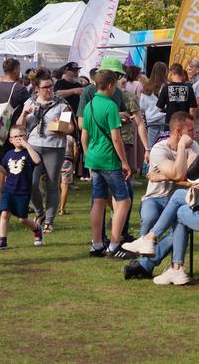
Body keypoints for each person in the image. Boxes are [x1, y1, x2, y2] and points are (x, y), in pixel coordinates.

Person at [122, 114, 199, 286]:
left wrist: (181, 147)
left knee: (179, 209)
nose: (195, 134)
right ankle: (164, 261)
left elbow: (188, 175)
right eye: (191, 130)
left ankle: (169, 261)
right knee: (178, 203)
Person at [123, 111, 199, 280]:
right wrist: (175, 172)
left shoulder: (193, 146)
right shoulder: (159, 149)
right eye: (191, 130)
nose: (195, 134)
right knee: (149, 218)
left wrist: (164, 175)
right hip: (155, 198)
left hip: (178, 200)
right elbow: (180, 173)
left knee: (181, 228)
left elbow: (184, 175)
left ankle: (145, 266)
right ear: (178, 132)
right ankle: (146, 263)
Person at [82, 69, 133, 259]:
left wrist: (88, 157)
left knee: (98, 201)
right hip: (109, 159)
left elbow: (83, 135)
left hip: (94, 159)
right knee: (124, 200)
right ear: (110, 85)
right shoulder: (111, 106)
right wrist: (125, 163)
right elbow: (117, 139)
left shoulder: (90, 105)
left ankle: (96, 244)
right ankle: (114, 245)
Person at [17, 72, 73, 233]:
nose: (49, 90)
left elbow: (70, 127)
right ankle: (39, 212)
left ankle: (49, 221)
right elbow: (19, 126)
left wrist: (61, 128)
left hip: (55, 147)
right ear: (37, 88)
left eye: (51, 86)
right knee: (32, 183)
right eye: (45, 87)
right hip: (33, 146)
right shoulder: (30, 102)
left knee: (52, 184)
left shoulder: (62, 104)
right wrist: (24, 114)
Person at [0, 58, 30, 216]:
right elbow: (28, 110)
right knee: (17, 166)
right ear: (16, 70)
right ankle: (17, 202)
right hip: (14, 134)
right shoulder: (19, 89)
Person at [0, 125, 44, 250]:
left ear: (27, 137)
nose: (18, 139)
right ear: (10, 140)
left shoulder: (29, 153)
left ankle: (37, 228)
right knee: (4, 214)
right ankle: (2, 241)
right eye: (15, 137)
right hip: (8, 190)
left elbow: (37, 161)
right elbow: (5, 171)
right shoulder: (8, 154)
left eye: (21, 136)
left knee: (22, 219)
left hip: (23, 191)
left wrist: (28, 146)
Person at [140, 62, 167, 147]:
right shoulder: (167, 86)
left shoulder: (146, 87)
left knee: (151, 146)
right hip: (164, 118)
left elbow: (142, 106)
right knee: (164, 145)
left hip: (151, 120)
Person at [59, 133, 77, 215]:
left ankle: (52, 208)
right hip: (67, 160)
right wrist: (74, 162)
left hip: (55, 160)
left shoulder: (54, 137)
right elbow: (75, 151)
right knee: (65, 185)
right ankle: (62, 209)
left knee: (54, 186)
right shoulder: (70, 138)